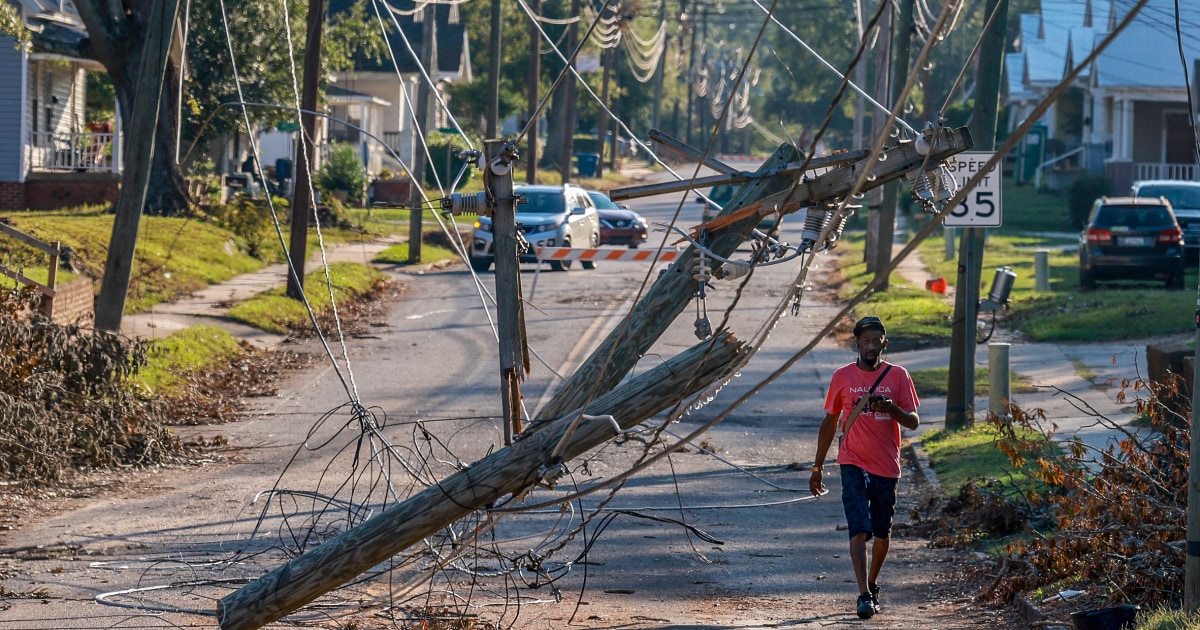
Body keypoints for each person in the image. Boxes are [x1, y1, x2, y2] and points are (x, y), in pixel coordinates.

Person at [809, 316, 920, 619]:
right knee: (859, 528)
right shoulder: (842, 377)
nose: (871, 346)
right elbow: (830, 421)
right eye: (866, 340)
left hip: (886, 463)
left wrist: (891, 409)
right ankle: (863, 594)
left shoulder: (898, 376)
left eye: (877, 340)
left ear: (885, 342)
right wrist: (817, 466)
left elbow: (913, 421)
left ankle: (872, 584)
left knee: (882, 530)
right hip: (852, 460)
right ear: (856, 342)